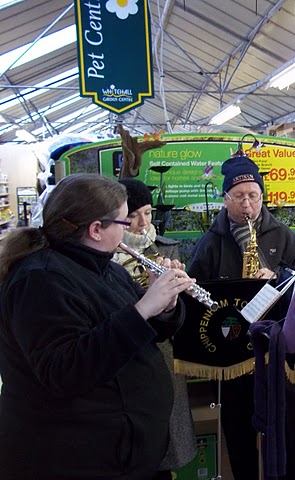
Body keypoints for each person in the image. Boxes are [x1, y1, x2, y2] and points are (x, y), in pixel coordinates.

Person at [0, 173, 196, 480]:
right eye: (123, 222)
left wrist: (165, 304)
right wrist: (143, 308)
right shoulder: (40, 280)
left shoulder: (105, 268)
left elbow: (145, 333)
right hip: (73, 461)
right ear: (95, 229)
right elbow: (64, 371)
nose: (133, 229)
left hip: (122, 457)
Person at [187, 155, 295, 480]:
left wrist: (279, 276)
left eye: (254, 196)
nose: (248, 204)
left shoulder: (281, 234)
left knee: (287, 430)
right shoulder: (211, 243)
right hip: (232, 357)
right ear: (225, 199)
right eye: (240, 196)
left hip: (279, 354)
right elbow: (191, 294)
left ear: (262, 196)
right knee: (238, 431)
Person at [113, 178, 197, 478]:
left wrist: (175, 297)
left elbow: (181, 315)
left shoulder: (166, 249)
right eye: (133, 215)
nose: (141, 222)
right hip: (122, 356)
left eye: (147, 213)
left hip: (162, 354)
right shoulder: (106, 254)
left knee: (165, 440)